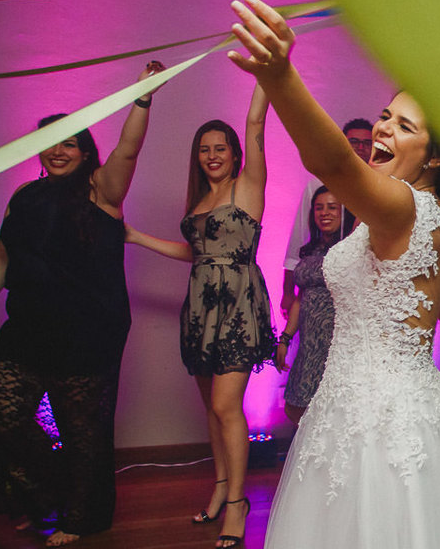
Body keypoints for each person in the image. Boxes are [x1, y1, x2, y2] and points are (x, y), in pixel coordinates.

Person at [226, 0, 440, 548]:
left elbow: (332, 162)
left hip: (377, 419)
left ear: (433, 156)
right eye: (385, 116)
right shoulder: (435, 223)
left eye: (403, 126)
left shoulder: (403, 207)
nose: (384, 130)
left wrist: (280, 76)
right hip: (377, 401)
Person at [0, 61, 165, 547]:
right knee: (1, 418)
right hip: (25, 328)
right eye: (51, 141)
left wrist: (143, 96)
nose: (57, 149)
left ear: (85, 151)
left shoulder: (103, 192)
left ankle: (79, 518)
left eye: (69, 141)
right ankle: (43, 493)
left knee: (83, 434)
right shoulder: (23, 197)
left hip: (87, 335)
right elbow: (3, 257)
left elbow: (128, 149)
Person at [125, 82, 274, 549]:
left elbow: (255, 126)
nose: (212, 155)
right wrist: (134, 236)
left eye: (220, 148)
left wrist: (263, 74)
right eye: (204, 150)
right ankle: (220, 487)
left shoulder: (246, 188)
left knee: (227, 406)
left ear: (233, 154)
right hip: (199, 311)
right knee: (211, 409)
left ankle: (237, 504)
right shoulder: (199, 201)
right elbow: (197, 254)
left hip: (237, 308)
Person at [280, 118, 372, 315]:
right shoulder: (317, 185)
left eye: (366, 143)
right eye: (354, 142)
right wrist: (287, 292)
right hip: (318, 282)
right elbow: (298, 238)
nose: (360, 147)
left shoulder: (379, 188)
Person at [276, 185, 350, 424]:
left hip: (336, 343)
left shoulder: (350, 249)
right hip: (309, 345)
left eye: (332, 207)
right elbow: (301, 297)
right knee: (295, 407)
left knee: (332, 412)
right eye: (319, 208)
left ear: (344, 212)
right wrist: (285, 338)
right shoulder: (309, 249)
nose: (324, 213)